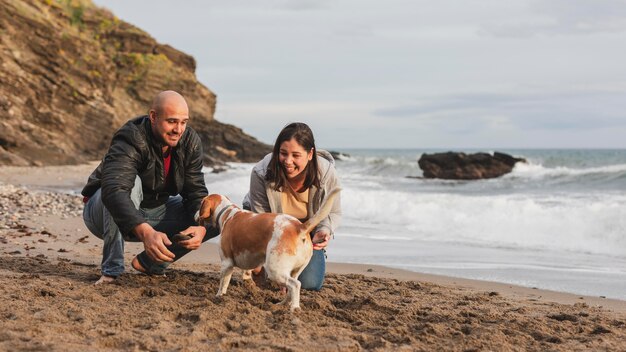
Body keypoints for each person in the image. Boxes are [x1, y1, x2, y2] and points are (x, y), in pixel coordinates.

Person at [81, 90, 218, 285]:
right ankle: (111, 271)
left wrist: (202, 227)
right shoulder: (130, 137)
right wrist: (146, 232)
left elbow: (195, 192)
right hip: (101, 213)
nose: (178, 129)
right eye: (171, 121)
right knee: (129, 185)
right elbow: (114, 191)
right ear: (153, 116)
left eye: (183, 122)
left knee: (214, 213)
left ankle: (151, 263)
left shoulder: (189, 141)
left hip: (152, 212)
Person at [243, 122, 341, 291]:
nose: (288, 161)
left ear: (310, 154)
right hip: (268, 230)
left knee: (310, 283)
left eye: (296, 155)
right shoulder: (261, 172)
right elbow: (261, 222)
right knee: (273, 279)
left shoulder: (326, 174)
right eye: (283, 153)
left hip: (304, 233)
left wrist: (324, 230)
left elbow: (334, 211)